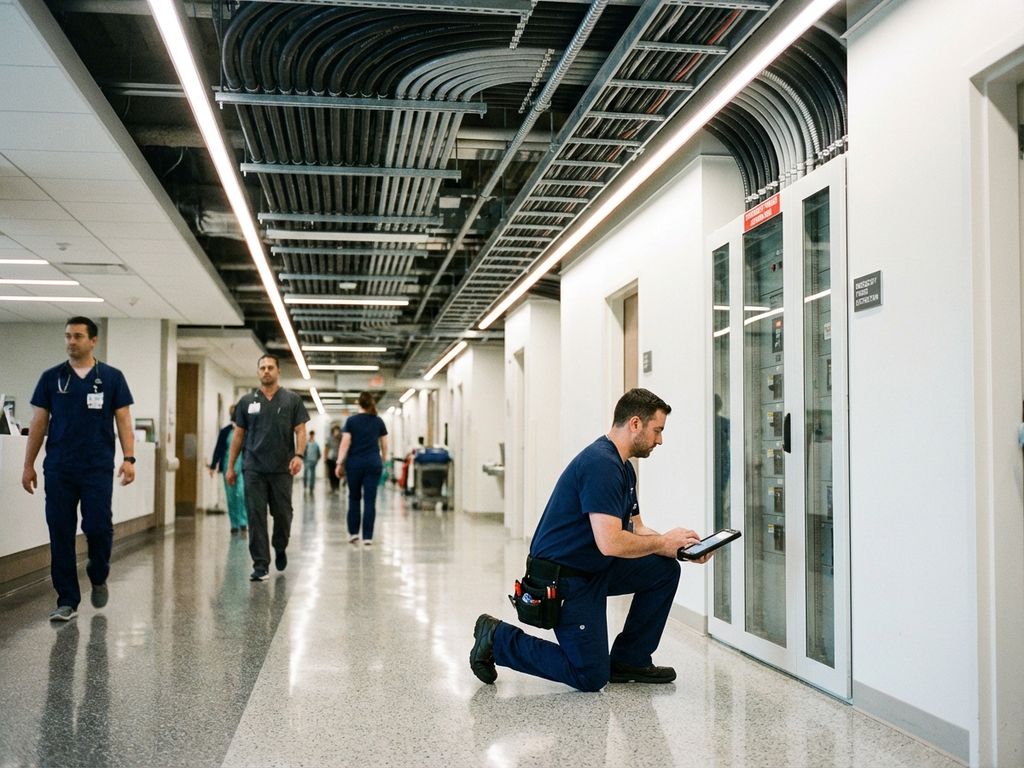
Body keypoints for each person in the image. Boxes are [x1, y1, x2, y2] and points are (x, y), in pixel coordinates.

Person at [469, 388, 711, 691]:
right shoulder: (601, 465)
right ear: (635, 423)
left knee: (663, 570)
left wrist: (678, 547)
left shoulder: (623, 468)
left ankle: (630, 660)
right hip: (565, 578)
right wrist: (662, 544)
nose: (660, 440)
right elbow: (610, 542)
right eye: (657, 430)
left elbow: (634, 528)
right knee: (590, 676)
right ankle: (497, 638)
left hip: (594, 567)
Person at [21, 317, 135, 622]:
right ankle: (67, 599)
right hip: (59, 468)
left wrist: (129, 457)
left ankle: (98, 573)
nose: (72, 342)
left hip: (96, 468)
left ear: (93, 341)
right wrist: (28, 464)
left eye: (78, 337)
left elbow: (123, 419)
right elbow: (38, 423)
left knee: (98, 527)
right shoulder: (51, 378)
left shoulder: (111, 378)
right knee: (60, 532)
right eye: (68, 336)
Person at [226, 354, 309, 581]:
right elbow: (238, 435)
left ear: (278, 371)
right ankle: (260, 564)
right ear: (258, 372)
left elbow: (300, 431)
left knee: (283, 514)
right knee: (255, 515)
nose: (266, 371)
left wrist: (299, 455)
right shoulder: (246, 401)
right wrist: (231, 466)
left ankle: (280, 546)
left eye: (270, 367)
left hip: (282, 468)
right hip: (253, 468)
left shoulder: (291, 400)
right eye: (262, 367)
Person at [335, 391, 388, 546]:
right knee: (370, 500)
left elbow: (345, 443)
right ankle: (367, 537)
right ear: (371, 404)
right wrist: (383, 461)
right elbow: (384, 445)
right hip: (373, 464)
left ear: (359, 403)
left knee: (354, 498)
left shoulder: (351, 421)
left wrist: (339, 462)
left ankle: (353, 534)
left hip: (355, 464)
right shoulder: (378, 421)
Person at [209, 404, 247, 533]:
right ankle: (234, 524)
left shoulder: (247, 431)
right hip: (227, 466)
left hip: (243, 467)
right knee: (231, 496)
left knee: (241, 494)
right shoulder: (225, 431)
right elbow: (219, 449)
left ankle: (243, 521)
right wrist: (213, 465)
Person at [324, 425, 342, 494]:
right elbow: (326, 449)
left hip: (338, 459)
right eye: (335, 430)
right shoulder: (329, 439)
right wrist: (325, 458)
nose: (336, 432)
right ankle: (332, 488)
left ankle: (337, 488)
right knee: (331, 474)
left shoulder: (340, 439)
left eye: (338, 430)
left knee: (337, 474)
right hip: (330, 458)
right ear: (333, 431)